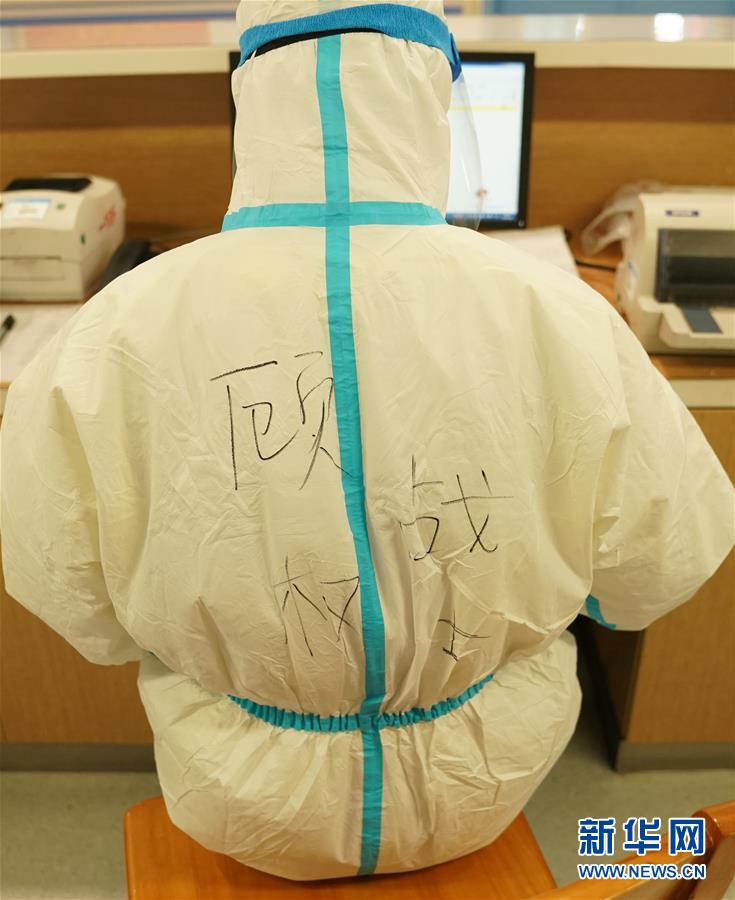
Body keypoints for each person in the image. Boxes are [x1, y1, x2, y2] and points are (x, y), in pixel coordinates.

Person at [1, 0, 732, 882]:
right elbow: (657, 564)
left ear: (253, 87)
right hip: (484, 779)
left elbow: (62, 581)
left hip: (239, 792)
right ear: (428, 88)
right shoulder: (560, 310)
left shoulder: (114, 327)